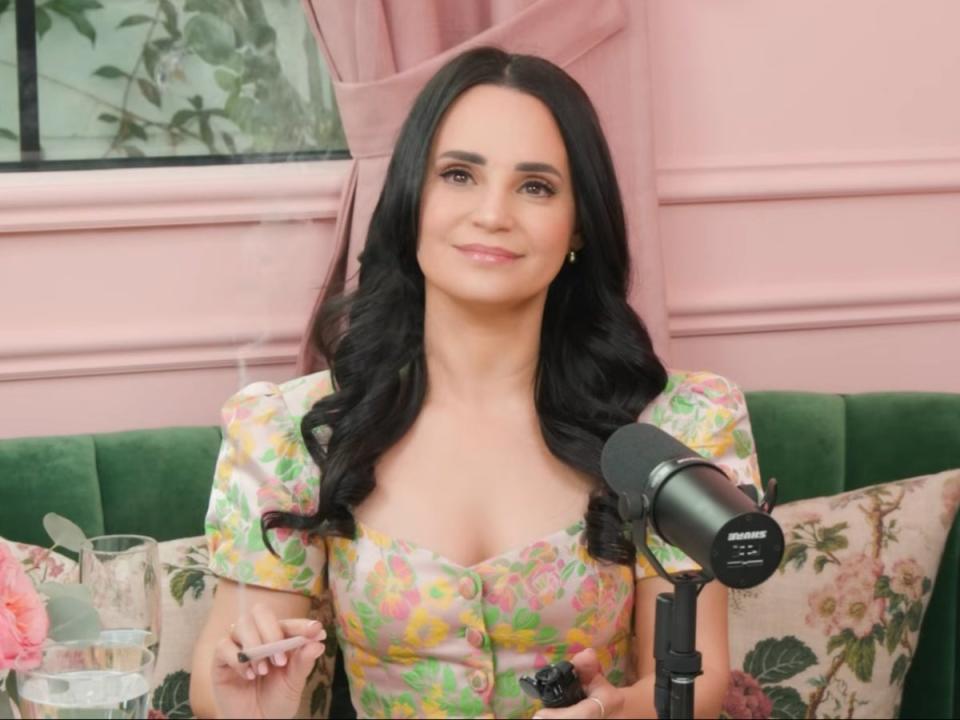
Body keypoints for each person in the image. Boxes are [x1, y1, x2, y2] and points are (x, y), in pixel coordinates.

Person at [190, 45, 761, 719]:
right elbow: (236, 678)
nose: (493, 213)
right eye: (459, 175)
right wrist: (248, 701)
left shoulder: (676, 425)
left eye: (536, 186)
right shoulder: (291, 429)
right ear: (412, 199)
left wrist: (616, 712)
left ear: (578, 223)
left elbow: (695, 683)